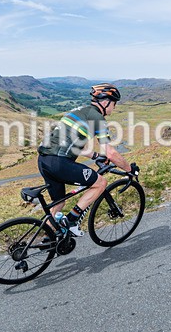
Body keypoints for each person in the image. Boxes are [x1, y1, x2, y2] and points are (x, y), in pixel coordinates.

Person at [37, 83, 137, 236]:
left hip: (44, 160)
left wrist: (95, 156)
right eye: (114, 104)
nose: (114, 108)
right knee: (100, 183)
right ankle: (70, 221)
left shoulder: (79, 111)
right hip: (59, 162)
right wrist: (129, 170)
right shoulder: (97, 118)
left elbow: (73, 143)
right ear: (105, 102)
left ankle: (49, 238)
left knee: (59, 203)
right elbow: (110, 153)